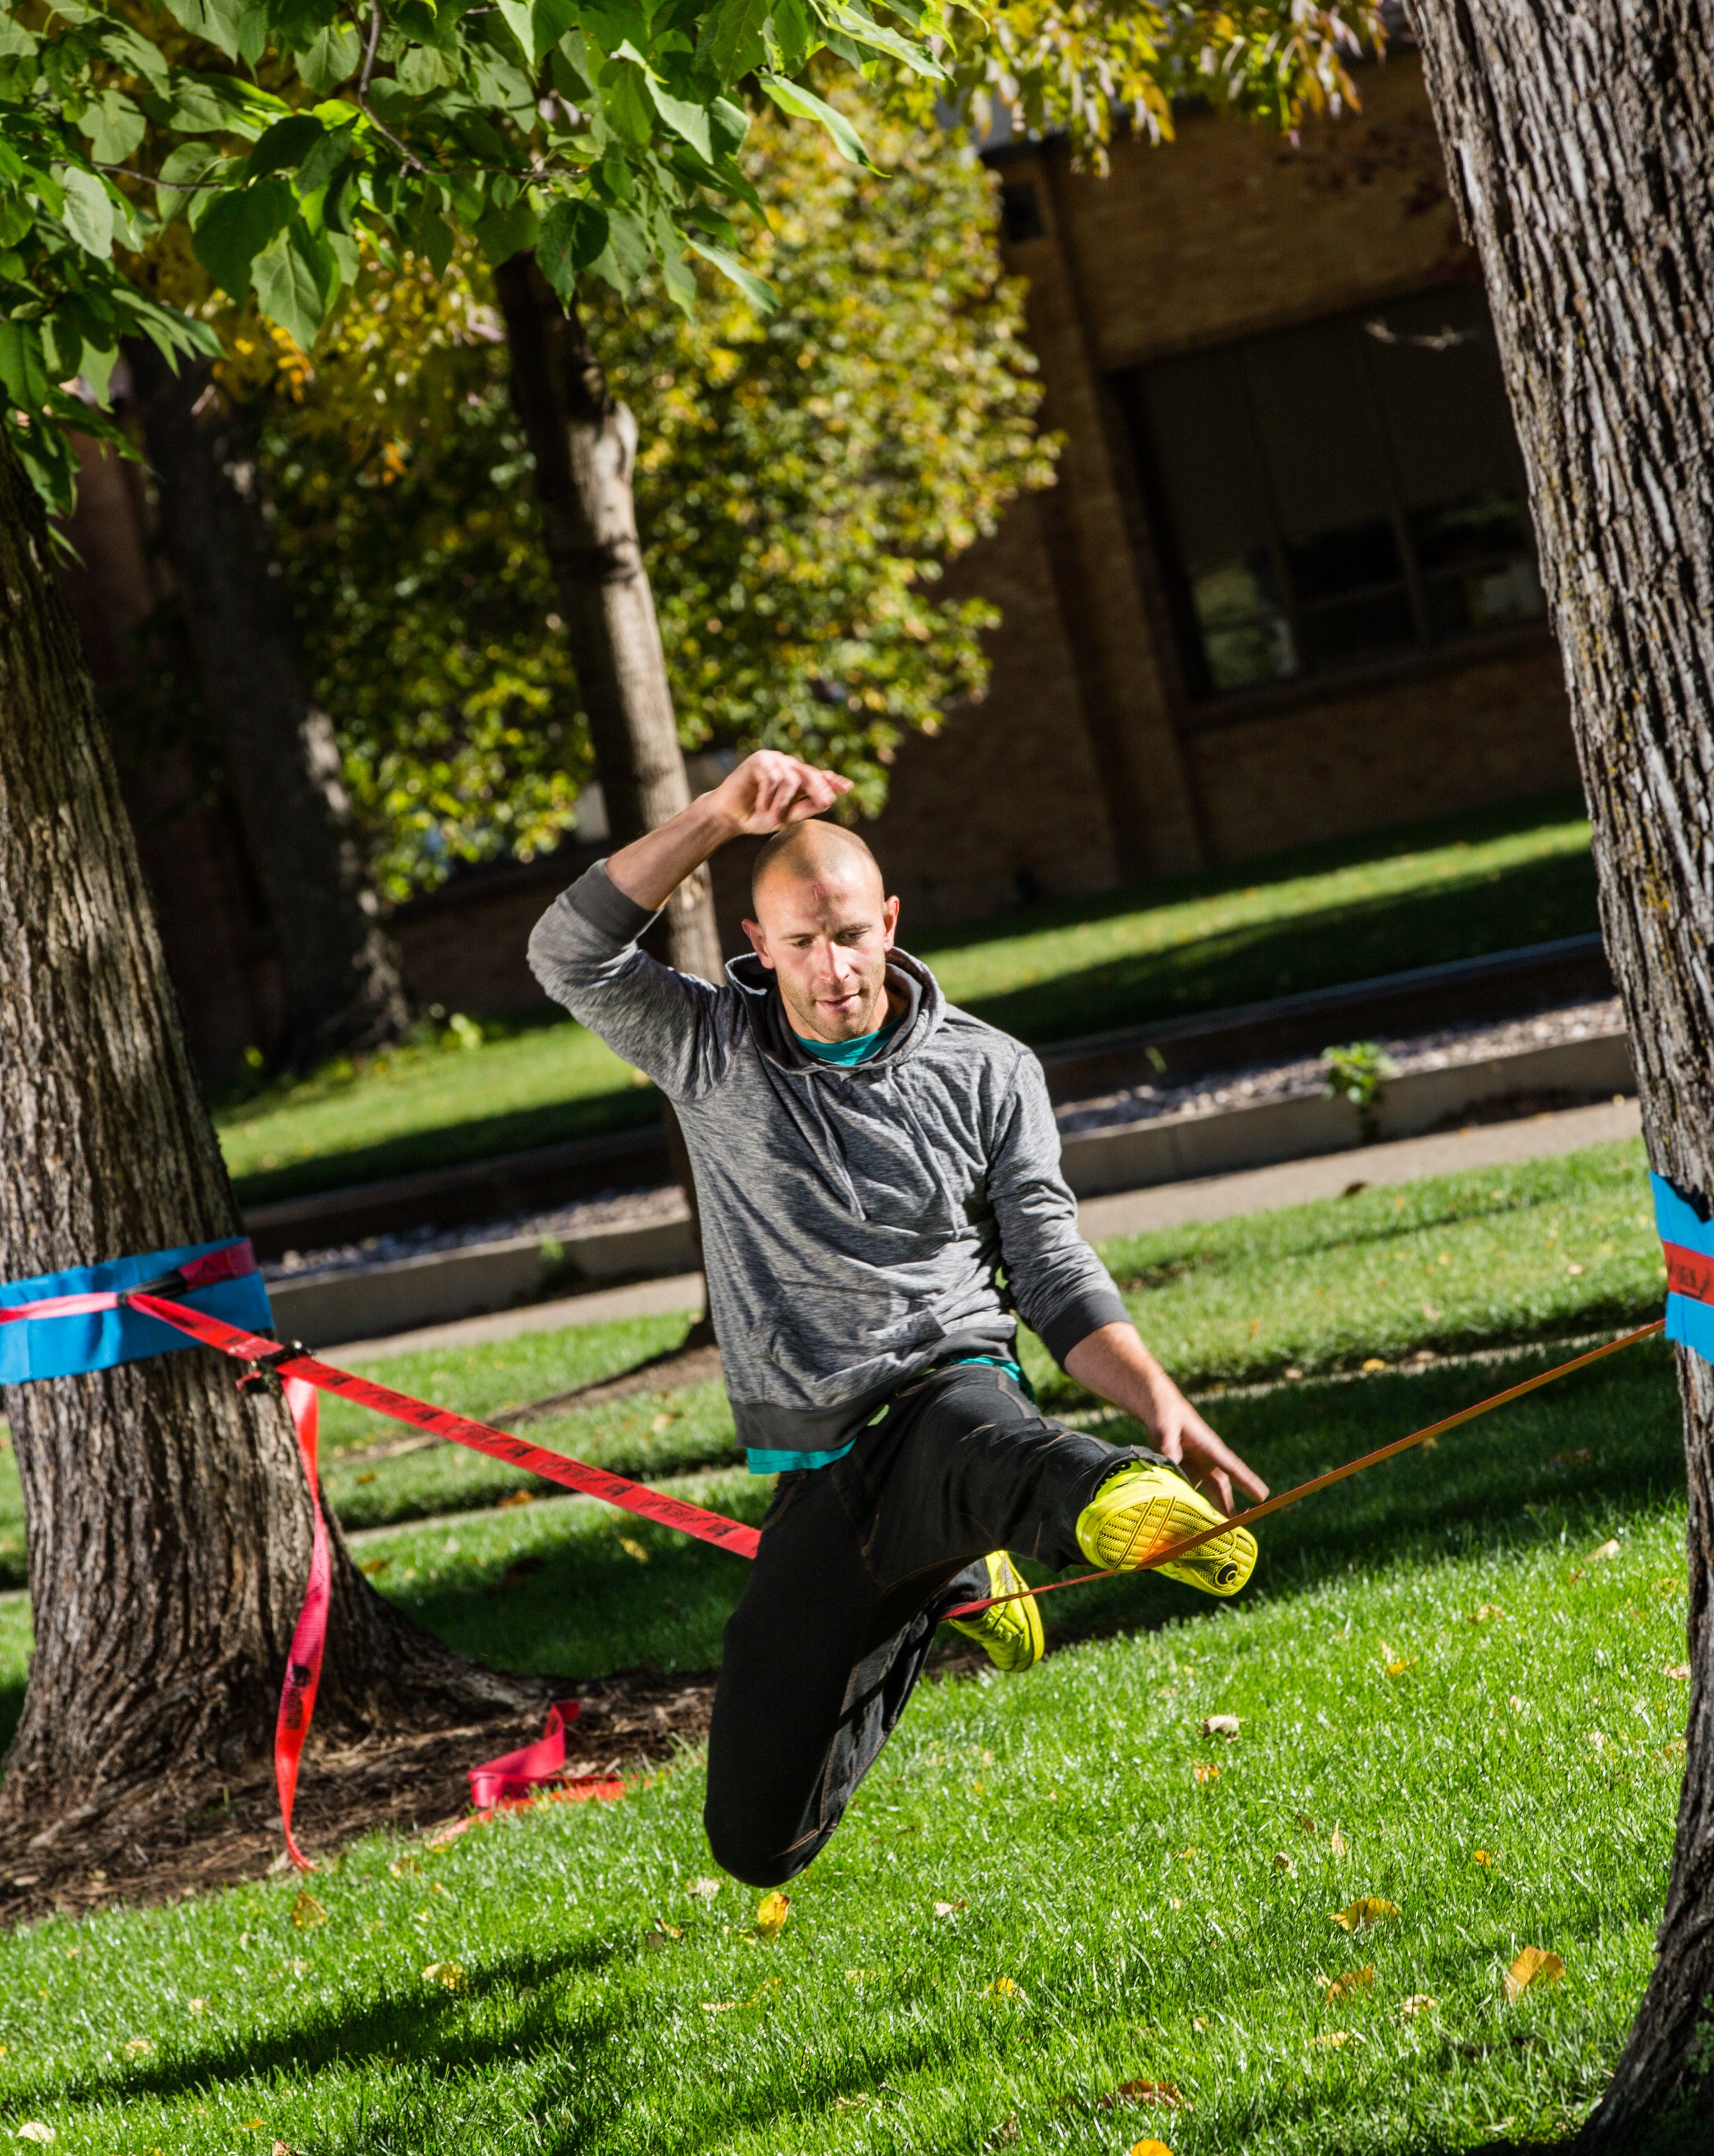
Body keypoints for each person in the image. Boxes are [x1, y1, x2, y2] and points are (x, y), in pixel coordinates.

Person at [527, 748, 1271, 1886]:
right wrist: (720, 812)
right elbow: (565, 950)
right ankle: (957, 1572)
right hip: (827, 1455)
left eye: (852, 935)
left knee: (973, 1435)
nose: (833, 969)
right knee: (756, 1840)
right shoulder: (710, 1047)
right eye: (801, 944)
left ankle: (1106, 1495)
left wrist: (1157, 1397)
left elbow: (1049, 1263)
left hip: (950, 1385)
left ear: (891, 919)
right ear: (758, 944)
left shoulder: (989, 1068)